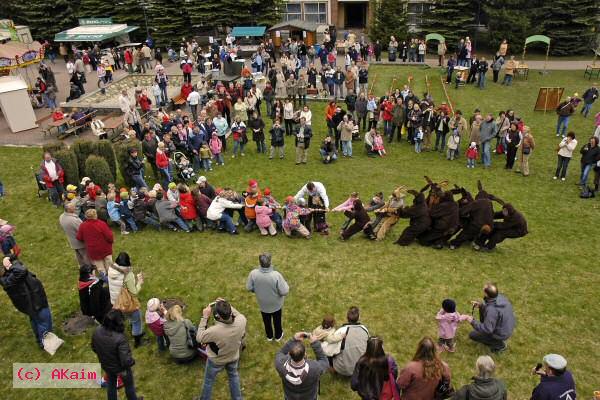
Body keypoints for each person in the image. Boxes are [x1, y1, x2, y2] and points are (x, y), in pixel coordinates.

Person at [196, 299, 247, 400]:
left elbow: (199, 337)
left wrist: (204, 317)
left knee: (208, 381)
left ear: (218, 317)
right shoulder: (242, 320)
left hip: (216, 360)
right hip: (233, 356)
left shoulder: (214, 331)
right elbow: (237, 314)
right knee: (233, 376)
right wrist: (226, 305)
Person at [1, 255, 53, 348]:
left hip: (32, 303)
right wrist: (11, 266)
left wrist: (9, 259)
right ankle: (47, 344)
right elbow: (22, 270)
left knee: (36, 320)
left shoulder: (10, 274)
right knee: (44, 321)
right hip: (35, 303)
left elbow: (14, 258)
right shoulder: (10, 279)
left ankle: (40, 341)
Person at [92, 309, 144, 400]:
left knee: (111, 384)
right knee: (129, 385)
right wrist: (132, 361)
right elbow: (126, 361)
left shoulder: (97, 331)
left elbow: (94, 347)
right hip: (121, 368)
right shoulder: (120, 338)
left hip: (106, 365)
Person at [245, 252, 289, 342]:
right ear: (270, 262)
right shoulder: (276, 275)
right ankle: (278, 336)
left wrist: (256, 290)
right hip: (276, 304)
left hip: (263, 304)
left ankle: (269, 336)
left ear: (259, 262)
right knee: (277, 320)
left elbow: (249, 287)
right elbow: (284, 291)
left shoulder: (253, 274)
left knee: (266, 320)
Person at [274, 331, 329, 400]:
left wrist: (293, 340)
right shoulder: (314, 368)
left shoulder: (280, 364)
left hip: (290, 397)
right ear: (305, 354)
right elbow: (324, 362)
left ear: (289, 354)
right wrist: (315, 344)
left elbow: (280, 352)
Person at [107, 252, 146, 347]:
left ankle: (133, 326)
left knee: (128, 316)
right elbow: (134, 292)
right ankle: (138, 341)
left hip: (116, 302)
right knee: (137, 320)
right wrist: (139, 282)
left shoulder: (111, 270)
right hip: (127, 303)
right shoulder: (128, 275)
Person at [465, 283, 515, 353]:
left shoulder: (492, 310)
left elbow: (487, 329)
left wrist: (472, 321)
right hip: (507, 327)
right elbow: (493, 310)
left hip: (501, 333)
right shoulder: (501, 298)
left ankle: (500, 345)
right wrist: (481, 306)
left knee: (473, 335)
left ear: (486, 294)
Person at [332, 306, 369, 376]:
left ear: (347, 317)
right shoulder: (365, 330)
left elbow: (331, 350)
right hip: (360, 369)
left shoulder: (340, 331)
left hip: (342, 369)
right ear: (359, 317)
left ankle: (333, 370)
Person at [76, 209, 114, 276]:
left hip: (93, 249)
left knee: (99, 266)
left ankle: (104, 279)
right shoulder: (101, 224)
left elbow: (79, 237)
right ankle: (111, 276)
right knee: (109, 263)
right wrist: (111, 242)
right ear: (95, 215)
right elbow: (109, 236)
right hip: (104, 248)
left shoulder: (82, 225)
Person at [59, 202, 89, 266]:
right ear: (69, 209)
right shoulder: (74, 220)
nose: (75, 208)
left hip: (72, 240)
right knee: (86, 255)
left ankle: (82, 266)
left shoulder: (61, 216)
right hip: (80, 241)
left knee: (78, 254)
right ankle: (89, 267)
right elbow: (83, 230)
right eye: (73, 207)